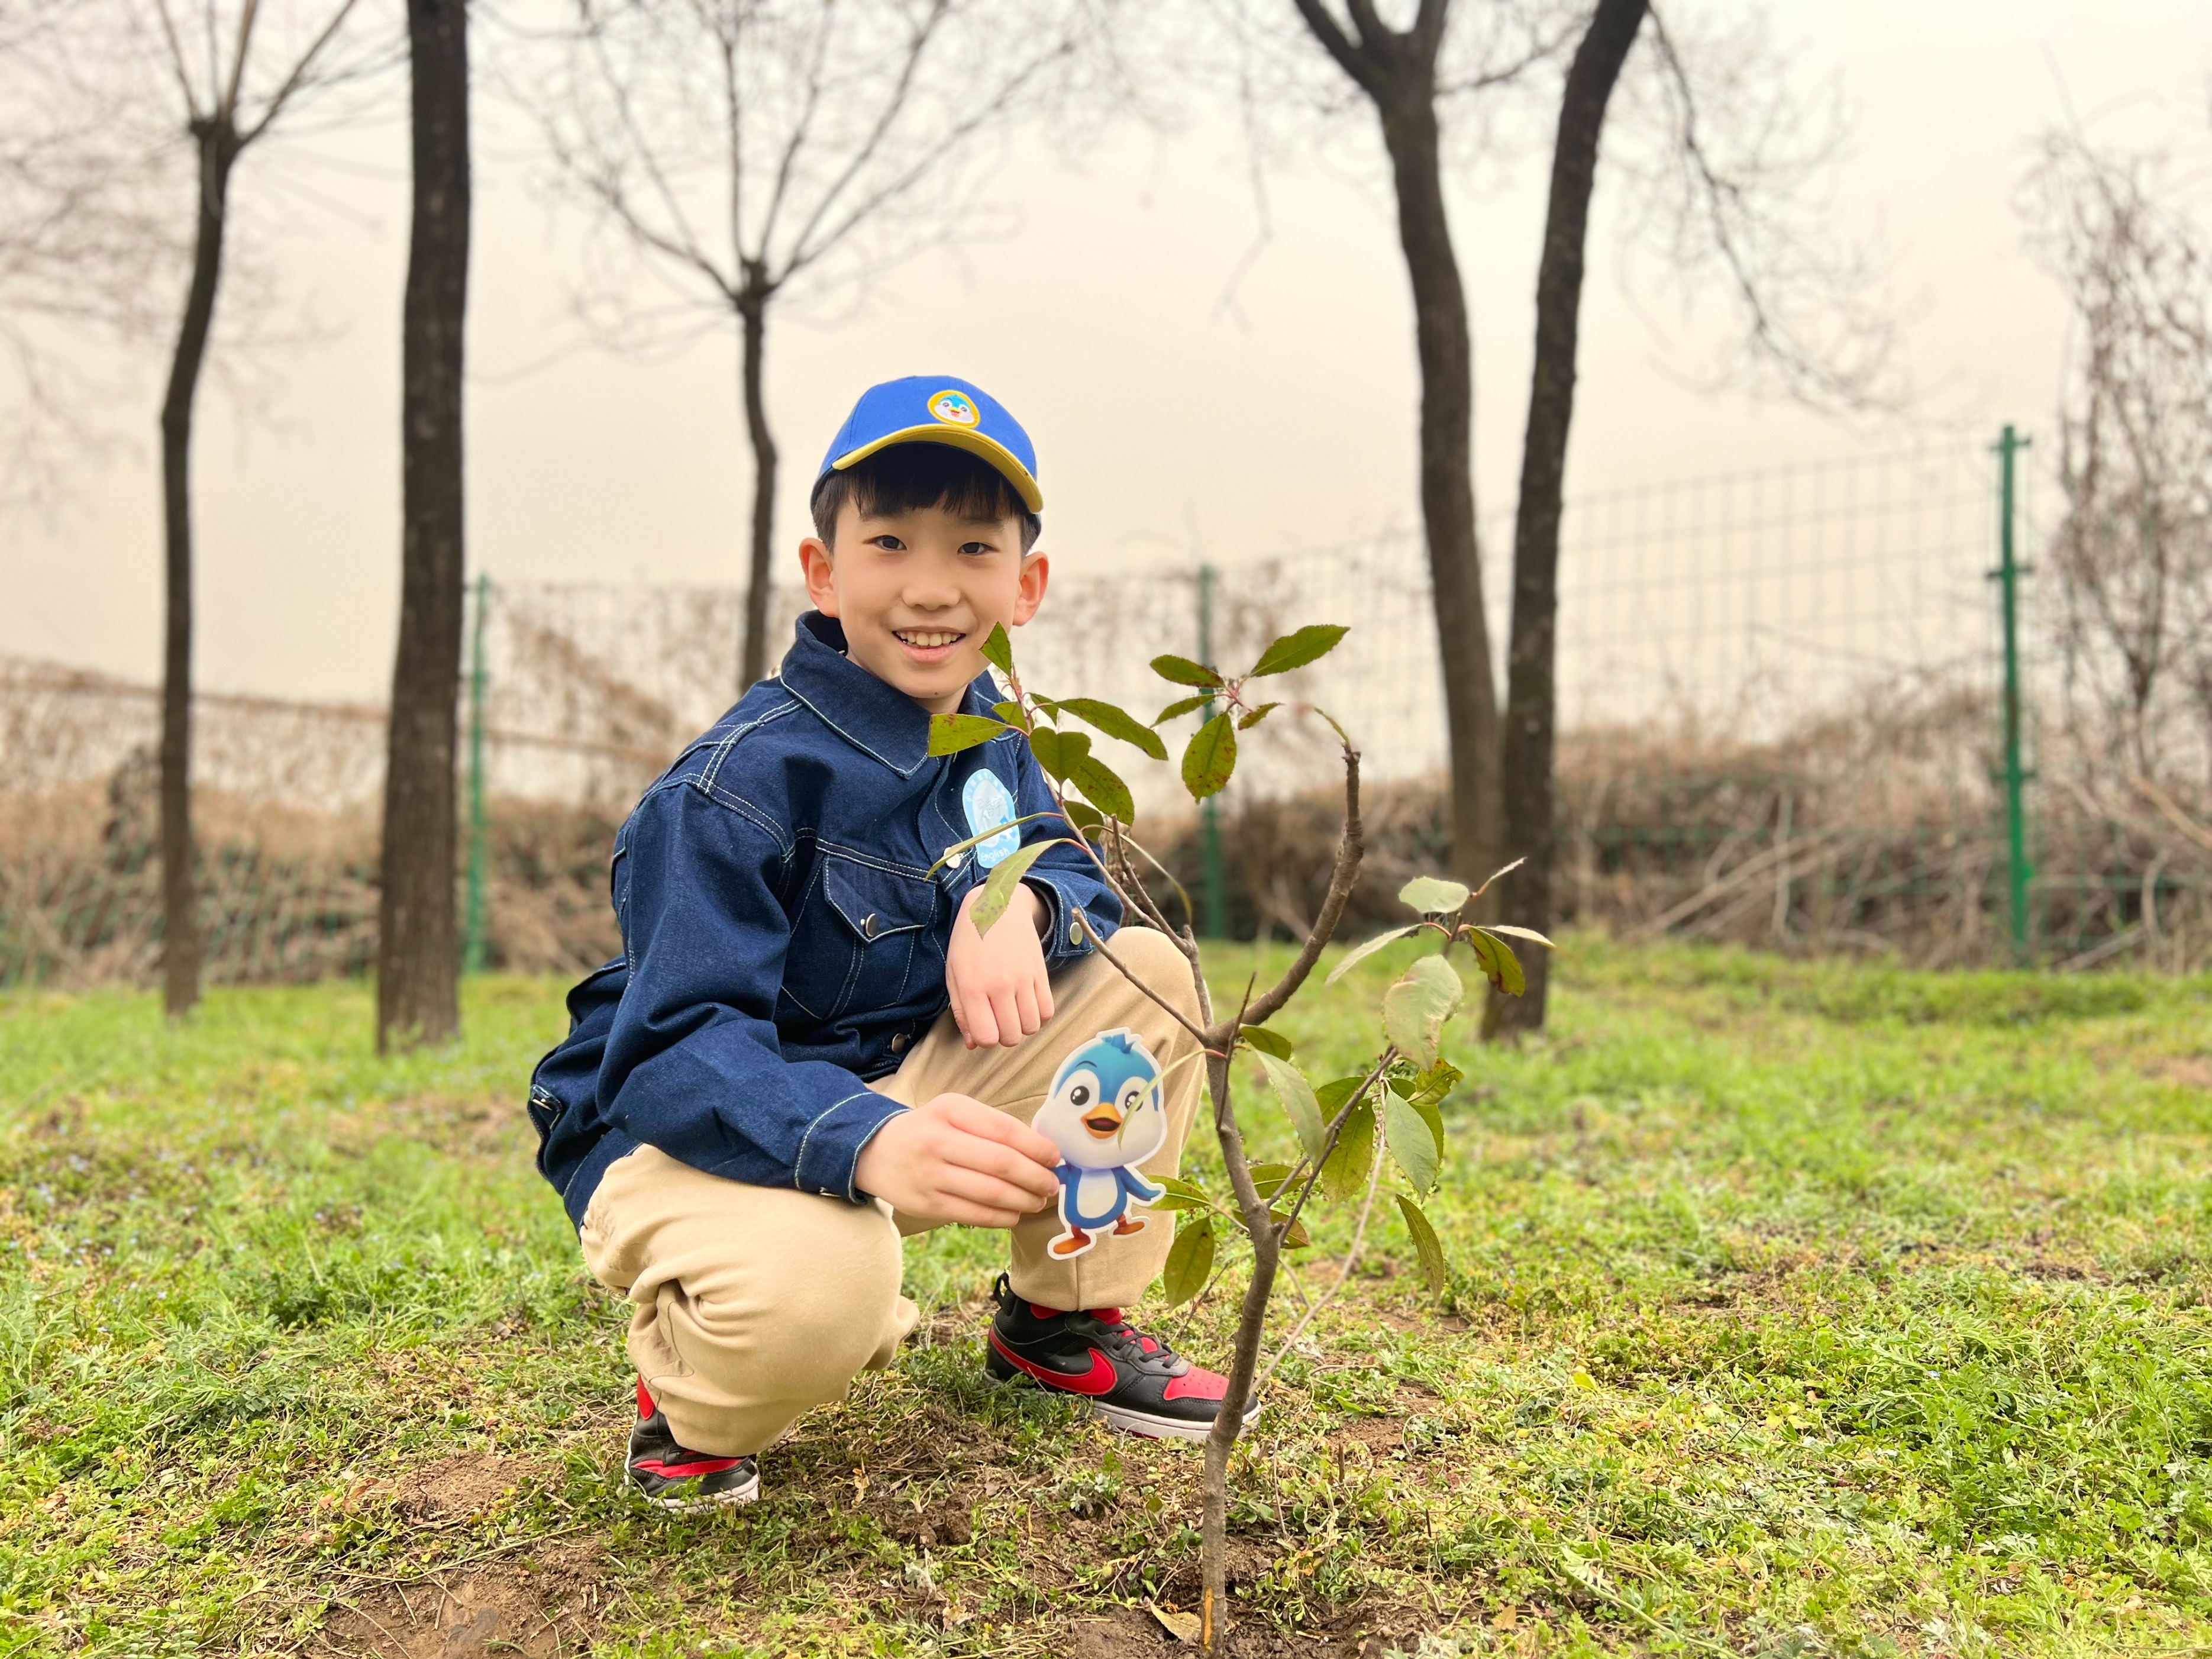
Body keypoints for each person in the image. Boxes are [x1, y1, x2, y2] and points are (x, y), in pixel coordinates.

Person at [527, 375, 1249, 1510]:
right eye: (889, 543)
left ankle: (1060, 1327)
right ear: (824, 573)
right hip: (681, 1130)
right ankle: (688, 1401)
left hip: (891, 1080)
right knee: (833, 1284)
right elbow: (672, 1046)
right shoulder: (734, 787)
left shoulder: (988, 735)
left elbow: (1067, 869)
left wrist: (1021, 904)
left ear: (1026, 584)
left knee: (1146, 977)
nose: (930, 587)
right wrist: (864, 1141)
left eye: (973, 547)